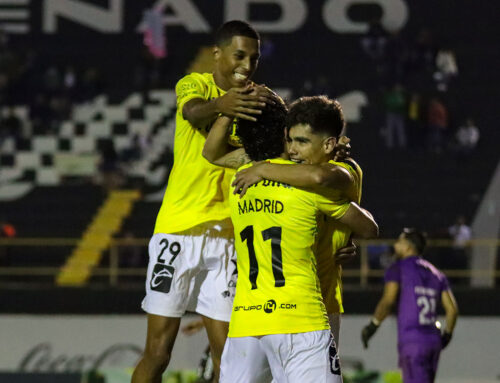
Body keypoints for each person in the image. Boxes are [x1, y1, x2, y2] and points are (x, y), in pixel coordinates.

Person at [131, 20, 275, 383]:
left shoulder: (261, 101)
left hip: (229, 238)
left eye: (253, 59)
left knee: (227, 355)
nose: (247, 65)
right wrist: (223, 105)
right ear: (217, 54)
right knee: (159, 351)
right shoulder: (194, 84)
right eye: (239, 55)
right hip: (177, 232)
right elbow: (193, 113)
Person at [216, 99, 378, 382]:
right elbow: (369, 228)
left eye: (301, 141)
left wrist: (261, 168)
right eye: (290, 140)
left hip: (248, 318)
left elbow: (214, 153)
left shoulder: (242, 181)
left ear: (329, 145)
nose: (293, 149)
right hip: (304, 314)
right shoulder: (313, 190)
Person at [361, 228, 459, 383]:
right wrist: (446, 336)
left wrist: (373, 325)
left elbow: (388, 301)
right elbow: (452, 310)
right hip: (433, 341)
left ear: (407, 246)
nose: (395, 245)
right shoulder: (436, 273)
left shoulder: (398, 268)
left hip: (413, 341)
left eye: (399, 241)